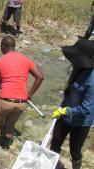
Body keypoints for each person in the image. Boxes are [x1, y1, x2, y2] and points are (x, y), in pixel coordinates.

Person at [0, 36, 43, 151]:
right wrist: (29, 95)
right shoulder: (26, 60)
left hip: (6, 101)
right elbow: (40, 77)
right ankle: (6, 145)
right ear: (14, 47)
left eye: (1, 47)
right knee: (10, 124)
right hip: (22, 103)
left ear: (3, 46)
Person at [50, 39, 94, 169]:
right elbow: (71, 90)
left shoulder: (92, 81)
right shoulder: (78, 68)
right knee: (54, 144)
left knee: (74, 151)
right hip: (65, 116)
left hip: (81, 122)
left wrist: (65, 111)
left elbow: (87, 108)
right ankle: (55, 165)